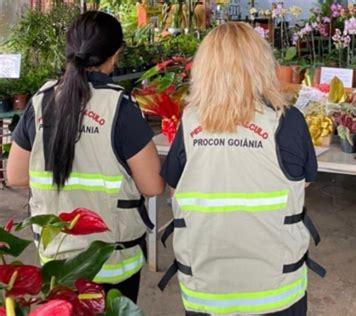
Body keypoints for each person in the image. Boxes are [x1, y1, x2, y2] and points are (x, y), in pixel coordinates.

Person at [158, 22, 325, 315]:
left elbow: (174, 189)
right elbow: (302, 184)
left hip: (206, 292)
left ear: (205, 67)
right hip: (277, 292)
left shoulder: (190, 122)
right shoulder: (288, 121)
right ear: (262, 63)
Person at [6, 11, 164, 303]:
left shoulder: (40, 102)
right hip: (113, 262)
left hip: (58, 262)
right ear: (115, 55)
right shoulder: (120, 108)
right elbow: (153, 185)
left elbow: (15, 175)